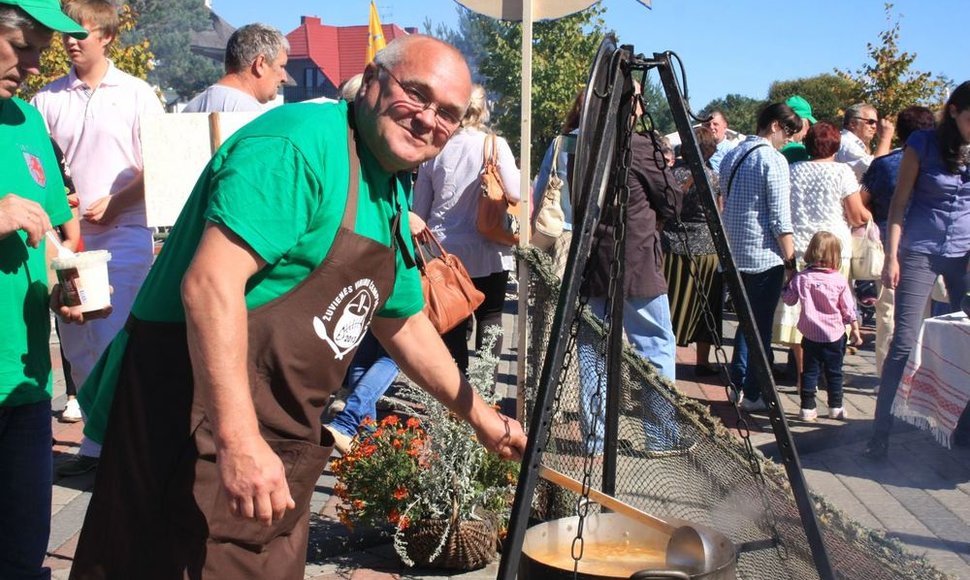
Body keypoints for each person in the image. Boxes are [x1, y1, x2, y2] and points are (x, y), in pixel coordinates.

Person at [60, 34, 525, 580]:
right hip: (195, 419)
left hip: (280, 432)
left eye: (448, 113)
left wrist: (482, 419)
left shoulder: (388, 189)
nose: (429, 120)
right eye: (417, 95)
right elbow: (210, 285)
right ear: (372, 82)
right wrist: (239, 442)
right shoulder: (299, 146)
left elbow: (401, 321)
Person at [32, 0, 163, 477]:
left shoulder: (136, 94)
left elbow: (161, 162)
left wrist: (116, 201)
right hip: (69, 242)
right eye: (64, 33)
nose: (69, 40)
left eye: (79, 32)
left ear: (106, 36)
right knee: (77, 340)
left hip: (126, 234)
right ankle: (95, 440)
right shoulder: (46, 99)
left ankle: (123, 446)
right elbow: (41, 170)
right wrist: (57, 209)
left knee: (112, 337)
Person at [0, 2, 89, 578]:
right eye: (24, 44)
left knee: (23, 547)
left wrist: (67, 278)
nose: (36, 63)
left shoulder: (27, 120)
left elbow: (53, 230)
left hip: (28, 378)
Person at [865, 81, 970, 460]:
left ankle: (960, 428)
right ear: (954, 112)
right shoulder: (921, 144)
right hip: (920, 250)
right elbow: (899, 205)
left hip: (964, 253)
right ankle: (880, 434)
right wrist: (891, 257)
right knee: (904, 341)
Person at [578, 84, 682, 456]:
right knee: (655, 346)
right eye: (638, 98)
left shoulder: (586, 142)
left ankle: (595, 440)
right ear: (631, 105)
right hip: (636, 261)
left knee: (593, 349)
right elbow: (671, 202)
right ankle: (660, 435)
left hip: (594, 262)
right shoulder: (638, 146)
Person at [411, 83, 520, 375]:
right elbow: (515, 192)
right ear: (483, 110)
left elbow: (420, 209)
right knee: (491, 315)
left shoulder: (436, 147)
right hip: (489, 246)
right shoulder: (495, 146)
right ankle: (485, 393)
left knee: (453, 320)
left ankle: (456, 389)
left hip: (444, 250)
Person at [772, 121, 871, 391]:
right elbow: (855, 214)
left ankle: (806, 376)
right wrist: (869, 216)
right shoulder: (843, 172)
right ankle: (831, 374)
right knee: (834, 310)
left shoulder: (792, 171)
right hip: (833, 250)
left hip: (801, 247)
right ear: (836, 145)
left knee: (801, 316)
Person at [719, 102, 800, 411]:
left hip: (734, 252)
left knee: (745, 322)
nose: (790, 139)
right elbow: (780, 219)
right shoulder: (773, 160)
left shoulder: (732, 155)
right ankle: (753, 392)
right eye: (789, 131)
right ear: (775, 126)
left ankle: (738, 384)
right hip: (764, 255)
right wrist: (791, 261)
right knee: (760, 327)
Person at [860, 106, 936, 375]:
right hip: (929, 250)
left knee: (889, 317)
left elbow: (861, 203)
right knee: (926, 318)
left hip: (886, 248)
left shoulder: (883, 165)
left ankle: (887, 378)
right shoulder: (939, 168)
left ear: (901, 133)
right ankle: (919, 378)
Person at [782, 231, 863, 422]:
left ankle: (807, 408)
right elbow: (848, 309)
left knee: (809, 372)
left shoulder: (802, 278)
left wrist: (789, 280)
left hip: (810, 335)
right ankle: (836, 407)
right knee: (834, 372)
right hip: (835, 335)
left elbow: (789, 300)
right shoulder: (839, 279)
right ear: (835, 255)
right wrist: (856, 331)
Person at [662, 126, 723, 376]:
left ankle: (663, 359)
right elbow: (716, 214)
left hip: (670, 246)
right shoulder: (712, 177)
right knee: (706, 304)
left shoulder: (670, 174)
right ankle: (703, 361)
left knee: (668, 305)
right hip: (705, 249)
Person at [182, 22, 288, 113]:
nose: (285, 78)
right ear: (260, 64)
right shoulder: (250, 114)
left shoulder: (191, 108)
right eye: (281, 66)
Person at [532, 89, 582, 277]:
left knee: (554, 292)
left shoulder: (561, 142)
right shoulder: (608, 143)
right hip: (592, 232)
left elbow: (543, 182)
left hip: (558, 225)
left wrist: (534, 218)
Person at [836, 102, 896, 181]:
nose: (874, 126)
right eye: (870, 122)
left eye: (876, 123)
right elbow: (875, 171)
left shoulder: (853, 143)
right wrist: (885, 138)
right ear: (853, 123)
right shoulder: (847, 144)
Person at [780, 95, 816, 164]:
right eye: (807, 124)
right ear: (797, 122)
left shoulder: (772, 146)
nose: (808, 129)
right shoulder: (797, 151)